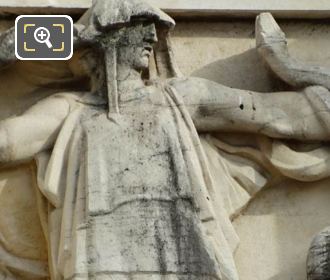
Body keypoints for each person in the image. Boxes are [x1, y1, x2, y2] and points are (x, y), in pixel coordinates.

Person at [1, 1, 330, 279]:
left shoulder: (181, 97)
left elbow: (278, 115)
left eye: (151, 27)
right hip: (100, 263)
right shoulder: (68, 111)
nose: (149, 36)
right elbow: (6, 143)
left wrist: (295, 72)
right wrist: (7, 52)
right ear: (105, 41)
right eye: (137, 26)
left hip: (188, 258)